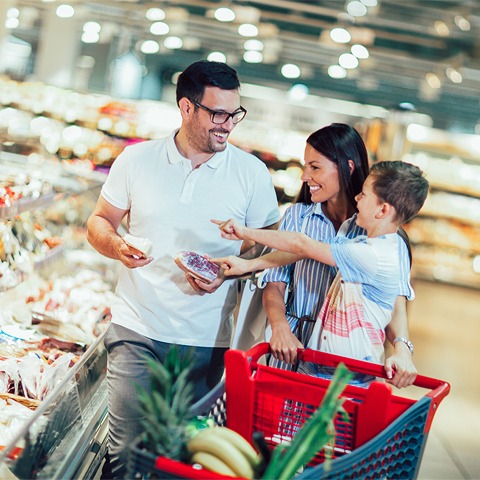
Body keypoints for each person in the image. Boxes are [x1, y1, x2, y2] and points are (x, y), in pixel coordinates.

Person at [86, 60, 280, 478]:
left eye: (235, 114)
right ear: (186, 107)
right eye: (217, 114)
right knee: (126, 451)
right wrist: (118, 247)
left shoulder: (252, 174)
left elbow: (269, 252)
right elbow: (99, 221)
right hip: (136, 327)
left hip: (206, 340)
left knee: (178, 456)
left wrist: (231, 271)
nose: (228, 125)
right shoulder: (137, 160)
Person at [216, 123, 417, 388]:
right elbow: (279, 276)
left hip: (344, 366)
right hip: (289, 350)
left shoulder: (380, 237)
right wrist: (280, 328)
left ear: (347, 167)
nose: (304, 176)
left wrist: (402, 348)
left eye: (315, 167)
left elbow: (394, 303)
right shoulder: (298, 216)